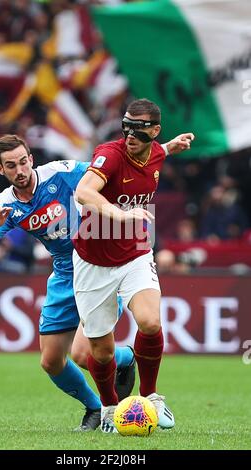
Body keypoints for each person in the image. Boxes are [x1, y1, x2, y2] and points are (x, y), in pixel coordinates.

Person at [0, 130, 191, 432]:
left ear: (31, 159)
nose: (20, 170)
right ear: (0, 169)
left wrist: (164, 149)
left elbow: (111, 168)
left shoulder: (63, 173)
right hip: (64, 274)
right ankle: (96, 401)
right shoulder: (4, 204)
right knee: (51, 361)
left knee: (82, 355)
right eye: (11, 166)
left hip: (97, 264)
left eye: (23, 162)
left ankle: (114, 388)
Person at [72, 98, 194, 432]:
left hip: (135, 252)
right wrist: (122, 214)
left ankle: (151, 396)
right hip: (92, 261)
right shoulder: (110, 154)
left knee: (151, 322)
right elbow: (84, 192)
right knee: (99, 350)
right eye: (126, 128)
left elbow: (158, 153)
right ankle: (111, 407)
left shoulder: (154, 151)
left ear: (154, 131)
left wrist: (171, 147)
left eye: (139, 131)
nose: (130, 136)